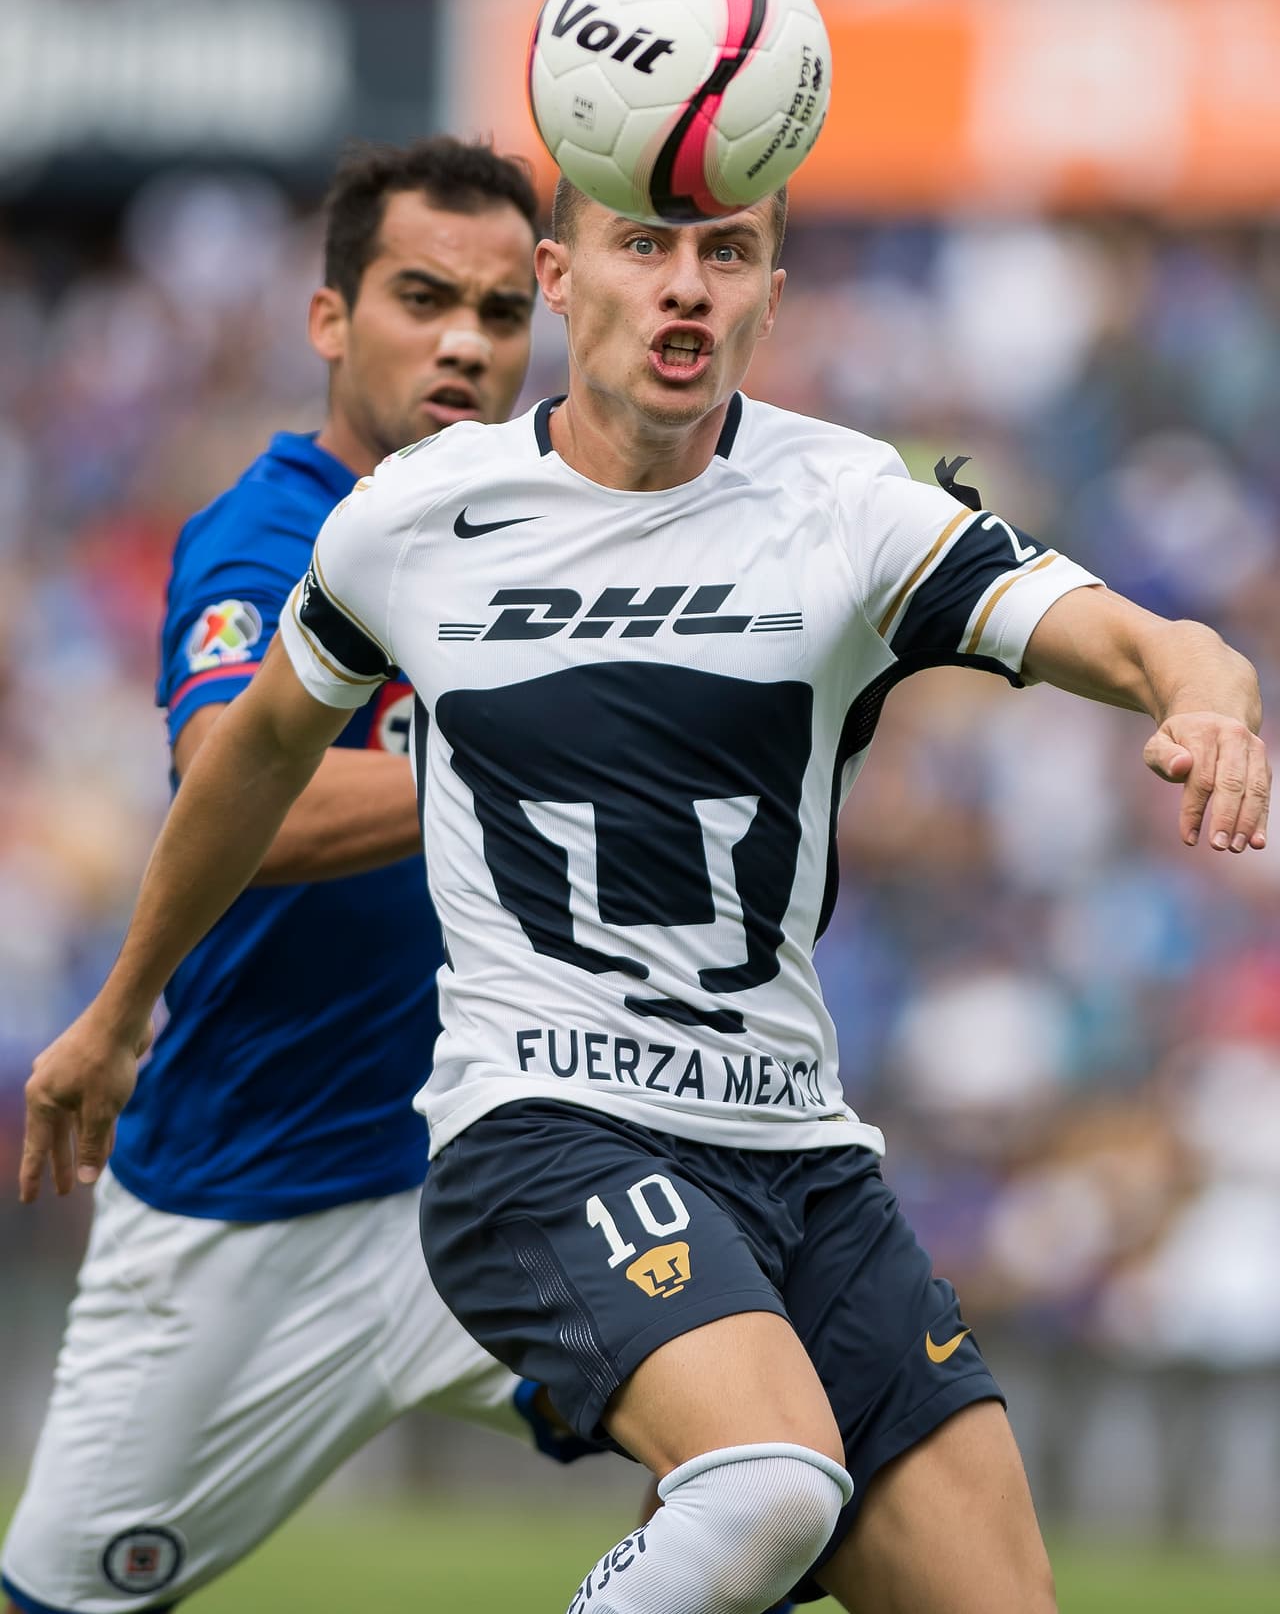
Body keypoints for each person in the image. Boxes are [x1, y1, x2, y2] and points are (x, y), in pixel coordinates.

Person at [20, 177, 1270, 1614]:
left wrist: (1209, 697)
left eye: (727, 255)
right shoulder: (407, 520)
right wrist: (119, 1014)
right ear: (575, 277)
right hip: (540, 1135)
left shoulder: (851, 504)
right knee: (764, 1486)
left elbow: (1145, 637)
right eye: (646, 249)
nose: (687, 287)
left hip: (797, 1156)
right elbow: (246, 770)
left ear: (772, 296)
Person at [3, 137, 593, 1614]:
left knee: (798, 1465)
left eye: (503, 310)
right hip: (241, 1205)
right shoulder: (264, 538)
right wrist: (542, 761)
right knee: (65, 1598)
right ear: (331, 321)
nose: (465, 338)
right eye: (420, 296)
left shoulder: (560, 543)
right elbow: (241, 800)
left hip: (489, 1179)